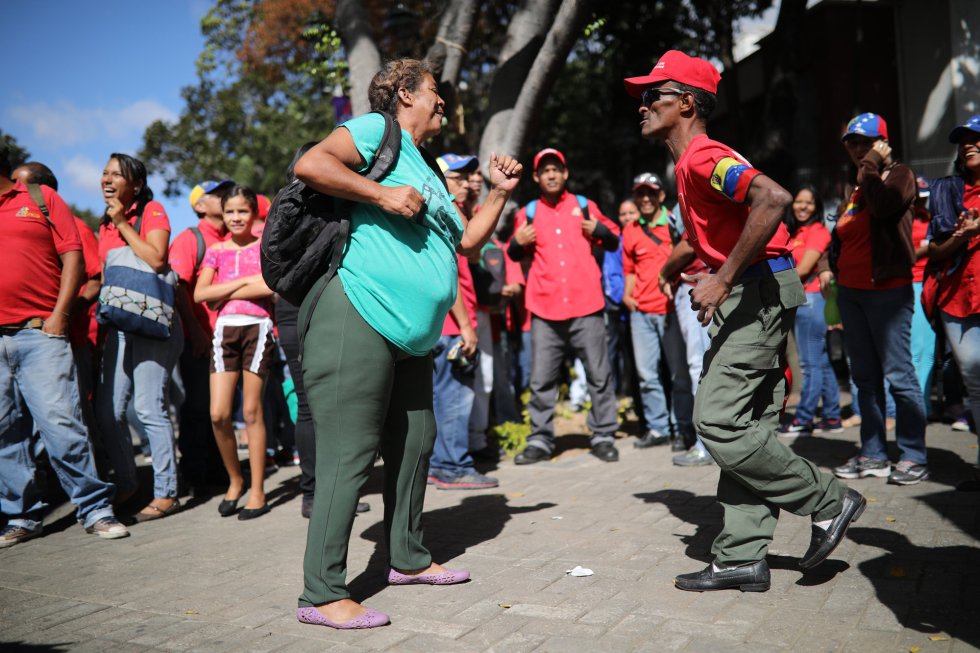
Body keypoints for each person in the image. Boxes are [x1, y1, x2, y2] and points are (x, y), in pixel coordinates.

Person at [291, 58, 522, 629]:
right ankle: (321, 593)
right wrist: (379, 195)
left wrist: (497, 193)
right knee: (349, 452)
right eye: (435, 92)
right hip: (358, 315)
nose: (443, 102)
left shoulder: (428, 168)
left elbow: (467, 242)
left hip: (413, 338)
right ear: (401, 94)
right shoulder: (376, 131)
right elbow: (310, 163)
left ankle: (408, 558)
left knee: (418, 438)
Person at [625, 50, 864, 592]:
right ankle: (740, 556)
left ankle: (828, 500)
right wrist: (680, 265)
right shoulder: (688, 165)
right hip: (751, 290)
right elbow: (713, 231)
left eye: (651, 96)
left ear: (686, 102)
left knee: (717, 422)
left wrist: (723, 278)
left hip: (755, 291)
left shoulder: (704, 155)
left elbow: (773, 198)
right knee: (748, 426)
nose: (641, 106)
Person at [0, 144, 129, 547]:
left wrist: (59, 315)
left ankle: (95, 508)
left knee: (62, 426)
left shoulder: (38, 197)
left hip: (40, 333)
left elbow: (74, 258)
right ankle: (22, 515)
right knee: (4, 432)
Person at [817, 113, 928, 485]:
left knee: (899, 375)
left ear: (883, 144)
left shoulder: (899, 175)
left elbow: (883, 209)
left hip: (886, 292)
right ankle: (874, 453)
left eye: (866, 142)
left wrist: (870, 166)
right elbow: (844, 235)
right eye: (852, 143)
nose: (858, 149)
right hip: (851, 293)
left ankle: (913, 454)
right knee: (865, 378)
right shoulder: (856, 186)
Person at [508, 148, 622, 464]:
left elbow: (614, 239)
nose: (552, 175)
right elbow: (513, 254)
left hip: (587, 306)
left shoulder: (584, 207)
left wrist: (597, 230)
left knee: (599, 375)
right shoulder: (528, 212)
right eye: (545, 170)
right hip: (545, 309)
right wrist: (517, 243)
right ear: (536, 177)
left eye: (556, 169)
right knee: (542, 379)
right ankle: (541, 441)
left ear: (565, 173)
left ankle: (602, 435)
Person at [95, 153, 183, 522]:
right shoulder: (103, 223)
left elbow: (157, 259)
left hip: (152, 323)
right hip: (117, 324)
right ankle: (128, 483)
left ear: (136, 185)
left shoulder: (153, 211)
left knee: (149, 407)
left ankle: (166, 493)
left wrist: (121, 223)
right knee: (108, 411)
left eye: (117, 174)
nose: (107, 180)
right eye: (105, 172)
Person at [194, 185, 275, 519]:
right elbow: (201, 294)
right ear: (222, 215)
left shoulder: (264, 246)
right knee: (218, 414)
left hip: (259, 328)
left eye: (243, 211)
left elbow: (271, 286)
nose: (237, 217)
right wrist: (242, 284)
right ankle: (235, 480)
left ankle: (257, 491)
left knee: (252, 412)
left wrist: (221, 291)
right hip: (224, 331)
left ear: (254, 213)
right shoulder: (215, 250)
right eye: (230, 212)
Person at [428, 153, 498, 490]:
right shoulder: (446, 212)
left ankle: (440, 464)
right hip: (453, 325)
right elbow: (448, 274)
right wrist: (467, 327)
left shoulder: (446, 210)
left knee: (444, 397)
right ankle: (452, 467)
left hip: (447, 322)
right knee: (454, 397)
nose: (467, 182)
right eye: (458, 176)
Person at [169, 179, 234, 495]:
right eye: (217, 194)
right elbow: (179, 287)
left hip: (227, 339)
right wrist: (194, 332)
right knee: (196, 407)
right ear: (199, 206)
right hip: (200, 339)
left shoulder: (231, 238)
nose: (223, 198)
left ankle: (217, 469)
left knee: (219, 408)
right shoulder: (189, 238)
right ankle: (194, 474)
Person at [622, 172, 694, 450]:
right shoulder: (630, 230)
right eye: (640, 193)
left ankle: (682, 428)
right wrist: (628, 295)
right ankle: (658, 428)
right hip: (641, 312)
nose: (646, 198)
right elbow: (630, 269)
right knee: (647, 375)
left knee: (678, 374)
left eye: (651, 192)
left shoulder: (674, 223)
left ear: (661, 196)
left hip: (671, 309)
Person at [927, 114, 980, 462]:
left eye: (977, 138)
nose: (968, 144)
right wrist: (963, 236)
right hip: (956, 300)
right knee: (975, 385)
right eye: (963, 141)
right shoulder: (949, 191)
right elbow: (934, 250)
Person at [778, 186, 842, 436]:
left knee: (809, 363)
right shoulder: (796, 231)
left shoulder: (817, 231)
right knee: (821, 360)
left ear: (817, 207)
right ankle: (832, 416)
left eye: (809, 203)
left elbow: (803, 269)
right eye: (798, 202)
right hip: (805, 300)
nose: (802, 207)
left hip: (812, 300)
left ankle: (804, 419)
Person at [909, 176, 936, 415]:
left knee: (926, 349)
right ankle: (918, 408)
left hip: (927, 284)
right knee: (916, 350)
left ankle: (923, 405)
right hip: (907, 285)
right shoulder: (899, 219)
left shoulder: (930, 219)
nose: (919, 203)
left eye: (923, 199)